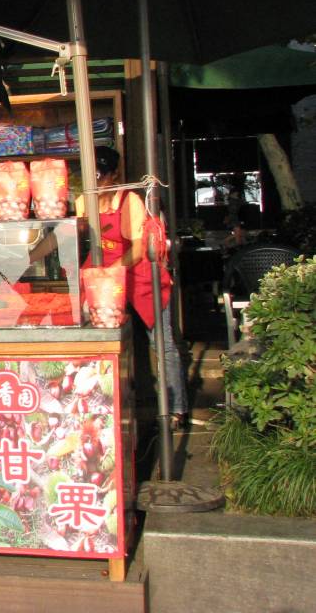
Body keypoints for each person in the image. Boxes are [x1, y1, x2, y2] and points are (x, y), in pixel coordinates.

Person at [77, 146, 188, 428]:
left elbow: (138, 249)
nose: (97, 182)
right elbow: (69, 234)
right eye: (92, 175)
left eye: (101, 176)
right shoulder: (83, 201)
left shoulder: (130, 201)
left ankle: (175, 408)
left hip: (141, 277)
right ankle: (105, 404)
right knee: (98, 337)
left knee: (162, 343)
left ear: (114, 175)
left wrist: (111, 272)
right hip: (104, 278)